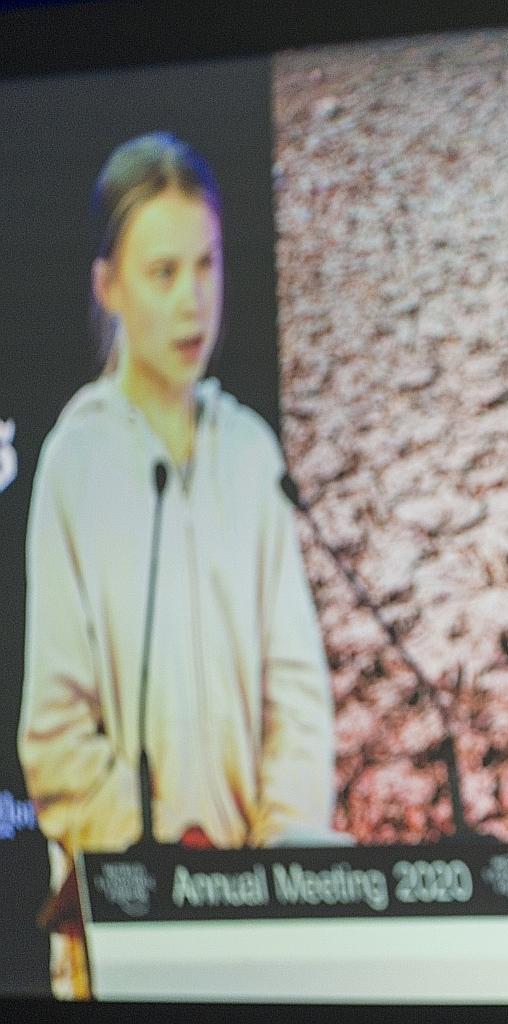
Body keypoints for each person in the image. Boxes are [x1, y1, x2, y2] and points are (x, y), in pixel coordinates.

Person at [18, 133, 335, 999]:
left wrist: (272, 866)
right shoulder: (75, 464)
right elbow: (53, 732)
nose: (193, 300)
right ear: (108, 286)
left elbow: (300, 701)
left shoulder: (251, 455)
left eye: (208, 265)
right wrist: (165, 858)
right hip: (128, 931)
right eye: (163, 274)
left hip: (263, 927)